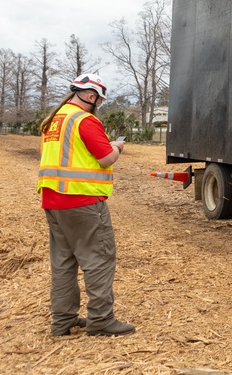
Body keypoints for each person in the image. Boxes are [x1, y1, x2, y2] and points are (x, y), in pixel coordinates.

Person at [38, 73, 134, 337]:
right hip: (82, 202)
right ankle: (101, 320)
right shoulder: (85, 120)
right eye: (99, 100)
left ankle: (62, 320)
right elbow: (105, 158)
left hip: (53, 200)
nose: (98, 105)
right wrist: (117, 147)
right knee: (99, 260)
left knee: (63, 263)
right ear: (90, 96)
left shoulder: (52, 121)